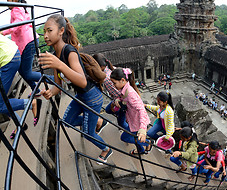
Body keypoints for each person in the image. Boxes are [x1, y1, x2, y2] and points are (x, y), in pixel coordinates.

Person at [38, 14, 111, 164]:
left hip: (92, 97)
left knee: (87, 133)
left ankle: (106, 149)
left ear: (60, 31)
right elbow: (59, 83)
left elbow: (82, 81)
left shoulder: (69, 51)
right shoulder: (55, 55)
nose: (45, 36)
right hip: (81, 97)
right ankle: (97, 122)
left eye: (49, 31)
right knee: (67, 121)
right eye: (44, 31)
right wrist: (50, 92)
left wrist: (59, 64)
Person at [1, 0, 43, 97]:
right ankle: (36, 90)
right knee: (22, 70)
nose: (8, 6)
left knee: (27, 73)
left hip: (28, 42)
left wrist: (4, 31)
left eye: (9, 2)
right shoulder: (22, 8)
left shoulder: (16, 9)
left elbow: (17, 24)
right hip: (30, 41)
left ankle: (54, 81)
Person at [0, 35, 42, 138]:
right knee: (2, 98)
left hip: (7, 59)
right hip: (12, 53)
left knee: (0, 104)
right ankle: (20, 123)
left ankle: (32, 103)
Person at [109, 68, 150, 155]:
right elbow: (122, 97)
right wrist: (117, 99)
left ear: (122, 80)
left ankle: (147, 143)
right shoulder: (124, 89)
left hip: (137, 122)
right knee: (134, 137)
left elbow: (141, 109)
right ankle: (141, 150)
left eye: (114, 83)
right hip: (132, 120)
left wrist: (142, 130)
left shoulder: (131, 93)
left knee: (125, 138)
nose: (113, 85)